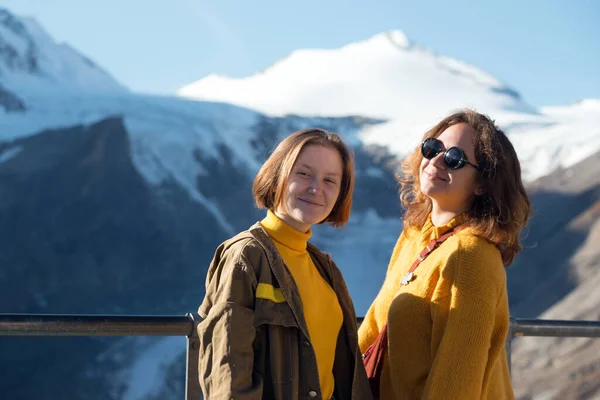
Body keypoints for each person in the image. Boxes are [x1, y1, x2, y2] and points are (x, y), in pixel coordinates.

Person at [359, 110, 531, 399]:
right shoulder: (415, 235)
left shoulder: (470, 255)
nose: (436, 161)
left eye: (454, 159)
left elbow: (456, 381)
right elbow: (373, 327)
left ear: (482, 184)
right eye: (433, 148)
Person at [197, 128, 372, 400]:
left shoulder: (324, 268)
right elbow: (228, 373)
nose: (316, 188)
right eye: (303, 173)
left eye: (330, 180)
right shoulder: (246, 256)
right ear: (277, 175)